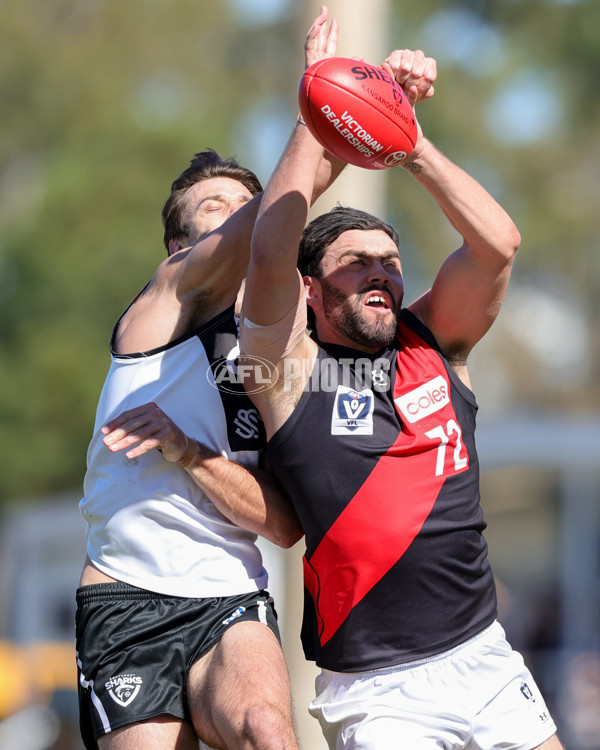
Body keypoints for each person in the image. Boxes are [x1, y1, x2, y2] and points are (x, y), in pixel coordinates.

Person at [237, 39, 565, 750]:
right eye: (356, 264)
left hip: (482, 655)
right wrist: (317, 107)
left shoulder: (435, 342)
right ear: (311, 292)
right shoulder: (285, 373)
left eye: (390, 261)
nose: (381, 272)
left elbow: (497, 246)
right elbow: (269, 249)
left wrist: (407, 141)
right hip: (380, 690)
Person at [75, 10, 343, 750]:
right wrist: (322, 109)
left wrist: (192, 454)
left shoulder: (273, 359)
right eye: (212, 211)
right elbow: (275, 215)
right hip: (127, 597)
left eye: (240, 203)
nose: (232, 219)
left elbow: (285, 528)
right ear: (178, 245)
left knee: (267, 728)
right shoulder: (160, 310)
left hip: (230, 597)